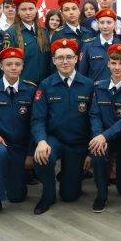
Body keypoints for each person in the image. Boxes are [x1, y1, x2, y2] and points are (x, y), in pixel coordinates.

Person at [32, 38, 94, 215]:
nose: (65, 61)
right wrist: (41, 141)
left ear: (76, 58)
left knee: (70, 195)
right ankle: (48, 194)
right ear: (53, 60)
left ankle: (71, 180)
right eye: (60, 58)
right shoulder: (46, 85)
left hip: (77, 143)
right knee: (41, 157)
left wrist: (90, 152)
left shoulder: (88, 85)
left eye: (69, 57)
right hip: (55, 140)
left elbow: (94, 119)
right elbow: (38, 119)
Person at [0, 47, 36, 222]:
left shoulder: (31, 89)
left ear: (23, 66)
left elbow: (35, 123)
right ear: (1, 66)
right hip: (0, 142)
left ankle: (10, 180)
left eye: (17, 64)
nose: (13, 67)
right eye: (9, 64)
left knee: (17, 197)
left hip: (21, 147)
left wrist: (30, 153)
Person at [89, 44, 121, 212]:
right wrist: (99, 136)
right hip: (104, 137)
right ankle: (101, 194)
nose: (117, 67)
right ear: (108, 64)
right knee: (97, 152)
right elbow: (94, 115)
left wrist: (104, 136)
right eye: (113, 63)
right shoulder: (99, 86)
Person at [3, 0, 49, 85]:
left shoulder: (44, 31)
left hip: (45, 85)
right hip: (24, 86)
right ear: (18, 12)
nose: (28, 13)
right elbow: (8, 64)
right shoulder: (10, 33)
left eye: (31, 9)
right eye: (23, 9)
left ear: (36, 10)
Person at [78, 9, 121, 82]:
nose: (105, 26)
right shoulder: (88, 46)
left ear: (115, 24)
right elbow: (82, 74)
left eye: (109, 22)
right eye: (102, 22)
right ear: (97, 24)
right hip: (95, 88)